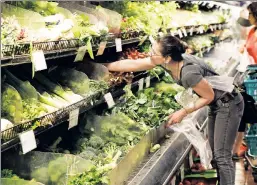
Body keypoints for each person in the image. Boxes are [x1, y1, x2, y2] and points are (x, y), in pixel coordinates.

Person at [105, 35, 244, 185]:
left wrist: (182, 112)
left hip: (228, 104)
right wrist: (106, 66)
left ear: (167, 58)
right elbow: (136, 64)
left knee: (222, 155)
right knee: (215, 153)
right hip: (217, 104)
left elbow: (208, 96)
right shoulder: (168, 62)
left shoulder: (188, 73)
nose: (150, 54)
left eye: (154, 52)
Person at [233, 2, 257, 159]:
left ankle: (238, 147)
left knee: (246, 110)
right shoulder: (253, 30)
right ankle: (237, 147)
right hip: (252, 76)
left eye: (250, 14)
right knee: (242, 108)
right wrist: (243, 47)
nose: (248, 17)